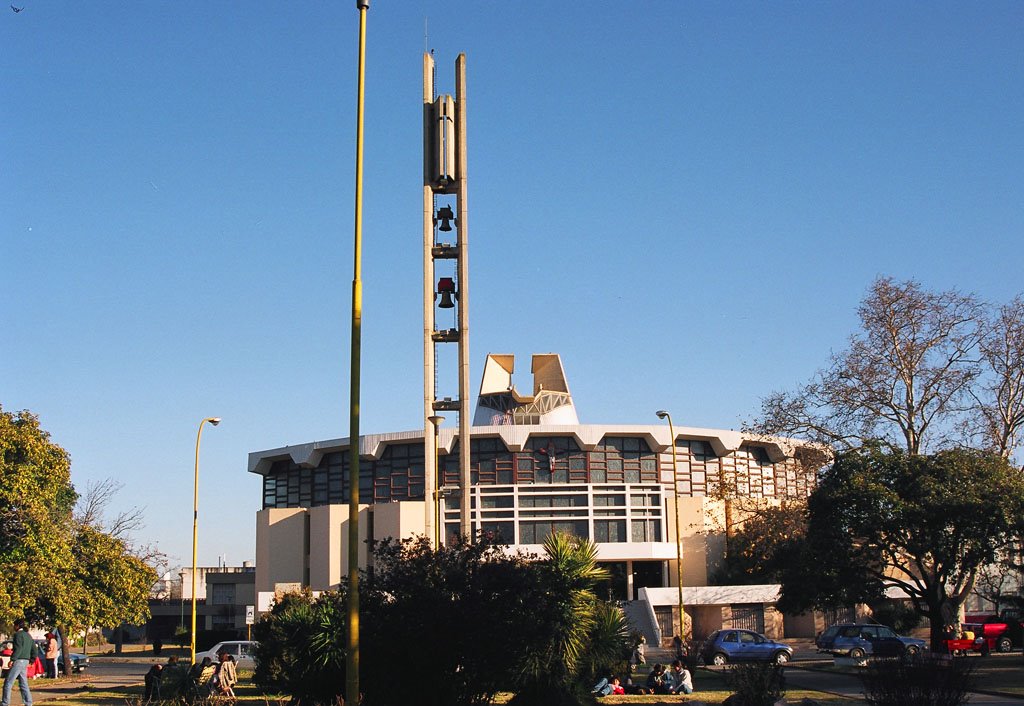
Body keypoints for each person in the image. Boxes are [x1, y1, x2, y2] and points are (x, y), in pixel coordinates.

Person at [2, 619, 37, 706]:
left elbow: (18, 648)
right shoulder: (28, 635)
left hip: (18, 660)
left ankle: (5, 703)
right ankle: (28, 702)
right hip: (25, 661)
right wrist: (32, 660)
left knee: (8, 682)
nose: (14, 627)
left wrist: (12, 659)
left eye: (14, 625)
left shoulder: (18, 635)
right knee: (23, 683)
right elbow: (34, 649)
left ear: (17, 626)